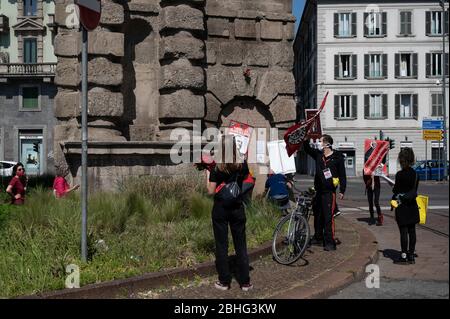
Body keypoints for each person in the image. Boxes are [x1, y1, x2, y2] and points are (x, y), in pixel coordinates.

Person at [206, 135, 253, 291]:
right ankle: (245, 282)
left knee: (221, 245)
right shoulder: (242, 164)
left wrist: (207, 174)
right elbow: (247, 180)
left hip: (220, 208)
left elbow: (210, 191)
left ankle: (224, 281)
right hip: (238, 207)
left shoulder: (216, 167)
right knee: (241, 245)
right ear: (235, 147)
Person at [303, 134, 347, 251]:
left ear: (327, 144)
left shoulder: (337, 157)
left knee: (328, 217)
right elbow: (307, 149)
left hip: (329, 192)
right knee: (317, 215)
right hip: (318, 191)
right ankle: (318, 237)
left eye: (320, 141)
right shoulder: (318, 155)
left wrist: (342, 189)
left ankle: (329, 242)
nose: (318, 142)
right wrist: (305, 140)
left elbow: (342, 174)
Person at [392, 148, 420, 265]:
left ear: (401, 159)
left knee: (403, 231)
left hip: (402, 206)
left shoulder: (399, 175)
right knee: (412, 231)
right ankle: (411, 255)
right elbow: (414, 190)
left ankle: (403, 256)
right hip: (412, 205)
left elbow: (396, 190)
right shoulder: (415, 174)